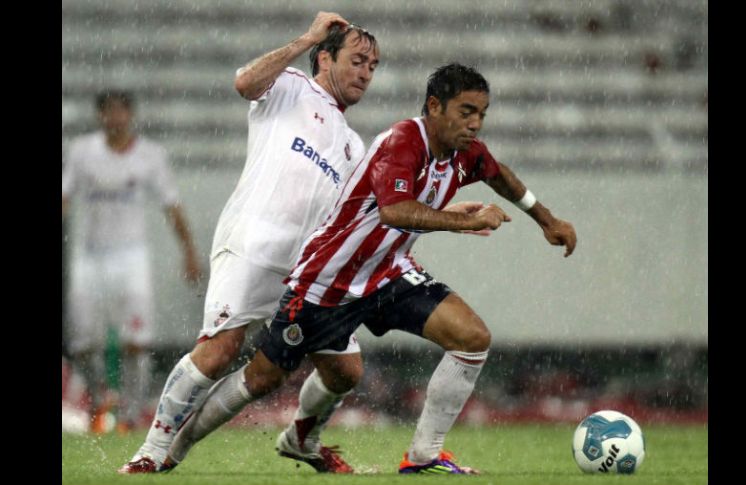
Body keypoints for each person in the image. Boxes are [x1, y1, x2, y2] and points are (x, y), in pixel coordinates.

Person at [163, 63, 577, 475]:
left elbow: (499, 174)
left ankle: (423, 456)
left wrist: (547, 220)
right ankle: (172, 449)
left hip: (387, 274)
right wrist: (465, 222)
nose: (475, 123)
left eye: (481, 114)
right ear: (435, 106)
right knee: (263, 378)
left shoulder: (465, 153)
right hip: (328, 280)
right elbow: (394, 210)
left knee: (472, 338)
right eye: (466, 111)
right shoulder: (402, 142)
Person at [119, 12, 381, 474]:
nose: (365, 73)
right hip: (253, 242)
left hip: (305, 269)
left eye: (372, 67)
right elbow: (243, 81)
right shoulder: (292, 85)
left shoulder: (354, 146)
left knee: (344, 370)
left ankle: (302, 438)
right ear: (325, 57)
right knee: (220, 349)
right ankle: (152, 450)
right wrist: (307, 37)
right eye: (358, 60)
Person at [62, 90, 202, 434]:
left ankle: (131, 412)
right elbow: (65, 198)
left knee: (136, 341)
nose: (115, 119)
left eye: (121, 112)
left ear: (131, 116)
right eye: (109, 112)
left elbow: (172, 205)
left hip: (131, 256)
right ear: (100, 116)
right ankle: (100, 397)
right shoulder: (82, 152)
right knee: (81, 342)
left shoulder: (150, 156)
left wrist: (189, 251)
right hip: (89, 255)